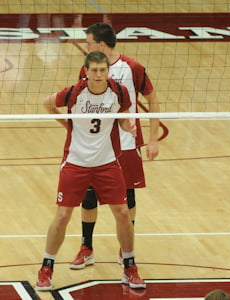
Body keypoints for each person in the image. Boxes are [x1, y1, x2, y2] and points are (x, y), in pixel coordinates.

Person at [35, 51, 146, 291]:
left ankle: (129, 265)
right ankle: (46, 267)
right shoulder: (75, 92)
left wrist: (128, 126)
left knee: (123, 213)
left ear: (108, 71)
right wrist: (67, 125)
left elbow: (123, 118)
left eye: (102, 70)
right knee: (63, 216)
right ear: (86, 71)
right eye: (93, 70)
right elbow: (47, 102)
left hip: (107, 162)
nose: (98, 74)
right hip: (76, 162)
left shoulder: (118, 92)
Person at [70, 22, 160, 269]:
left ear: (101, 44)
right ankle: (86, 248)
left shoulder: (132, 68)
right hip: (95, 145)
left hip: (126, 144)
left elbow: (152, 100)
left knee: (127, 198)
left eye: (88, 42)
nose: (86, 46)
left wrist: (152, 139)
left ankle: (126, 249)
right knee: (88, 198)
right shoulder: (88, 69)